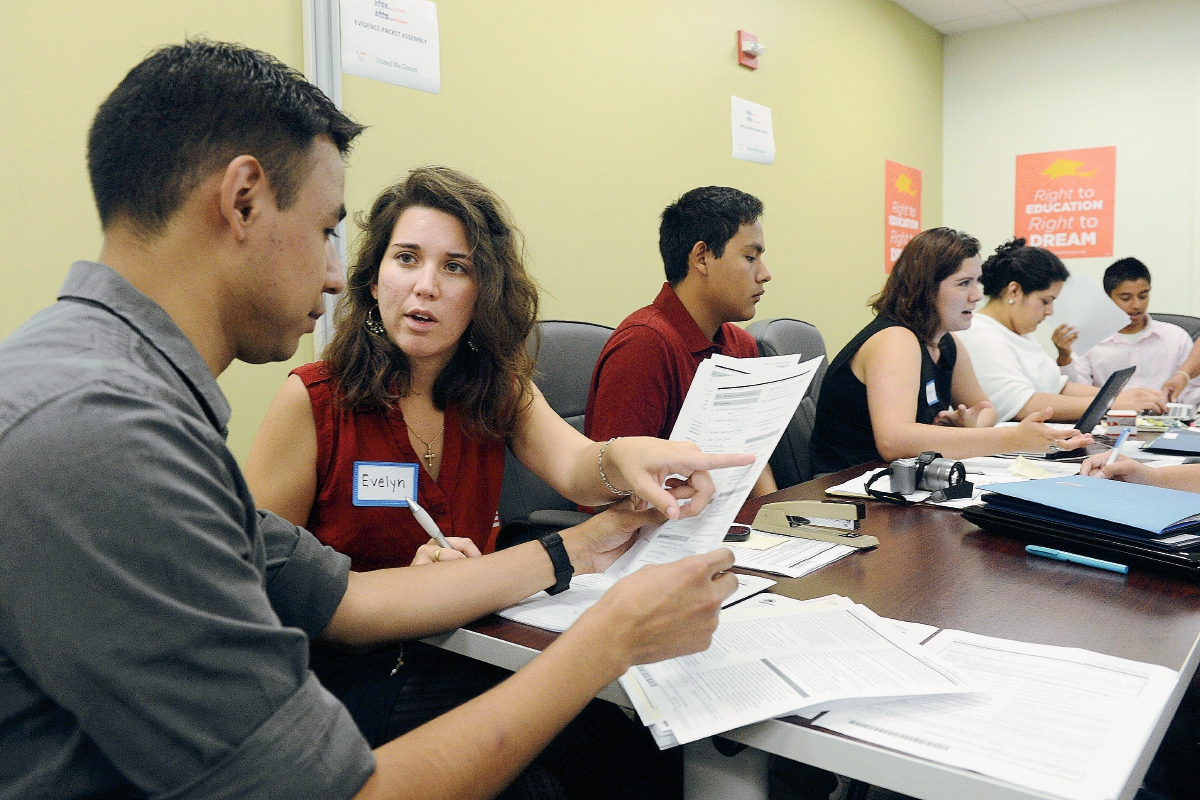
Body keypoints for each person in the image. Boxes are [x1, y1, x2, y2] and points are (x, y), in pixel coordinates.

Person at [0, 40, 751, 800]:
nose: (334, 273)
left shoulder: (124, 408)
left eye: (453, 267)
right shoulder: (105, 440)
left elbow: (348, 599)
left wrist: (580, 545)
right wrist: (611, 635)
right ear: (243, 200)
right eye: (330, 229)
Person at [808, 227, 1088, 474]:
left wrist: (970, 422)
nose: (977, 295)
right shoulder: (895, 339)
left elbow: (986, 409)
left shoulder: (946, 342)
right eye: (964, 283)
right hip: (847, 486)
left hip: (900, 481)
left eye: (977, 282)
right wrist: (1011, 438)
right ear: (925, 288)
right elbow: (894, 441)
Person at [585, 185, 777, 497]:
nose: (765, 274)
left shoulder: (742, 345)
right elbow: (610, 492)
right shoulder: (643, 346)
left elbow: (750, 459)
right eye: (750, 257)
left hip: (725, 523)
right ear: (702, 258)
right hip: (656, 531)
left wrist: (777, 523)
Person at [955, 238, 1166, 423]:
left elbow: (1060, 387)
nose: (1050, 311)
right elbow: (1024, 405)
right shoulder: (979, 333)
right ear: (1014, 291)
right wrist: (1111, 402)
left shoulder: (1020, 333)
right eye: (1045, 301)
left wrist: (1122, 395)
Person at [1055, 257, 1200, 406]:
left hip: (1165, 422)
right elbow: (1075, 393)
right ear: (1107, 297)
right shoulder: (1089, 339)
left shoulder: (1176, 337)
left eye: (1143, 296)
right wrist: (1065, 358)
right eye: (1126, 298)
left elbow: (1191, 392)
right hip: (1108, 421)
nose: (1137, 305)